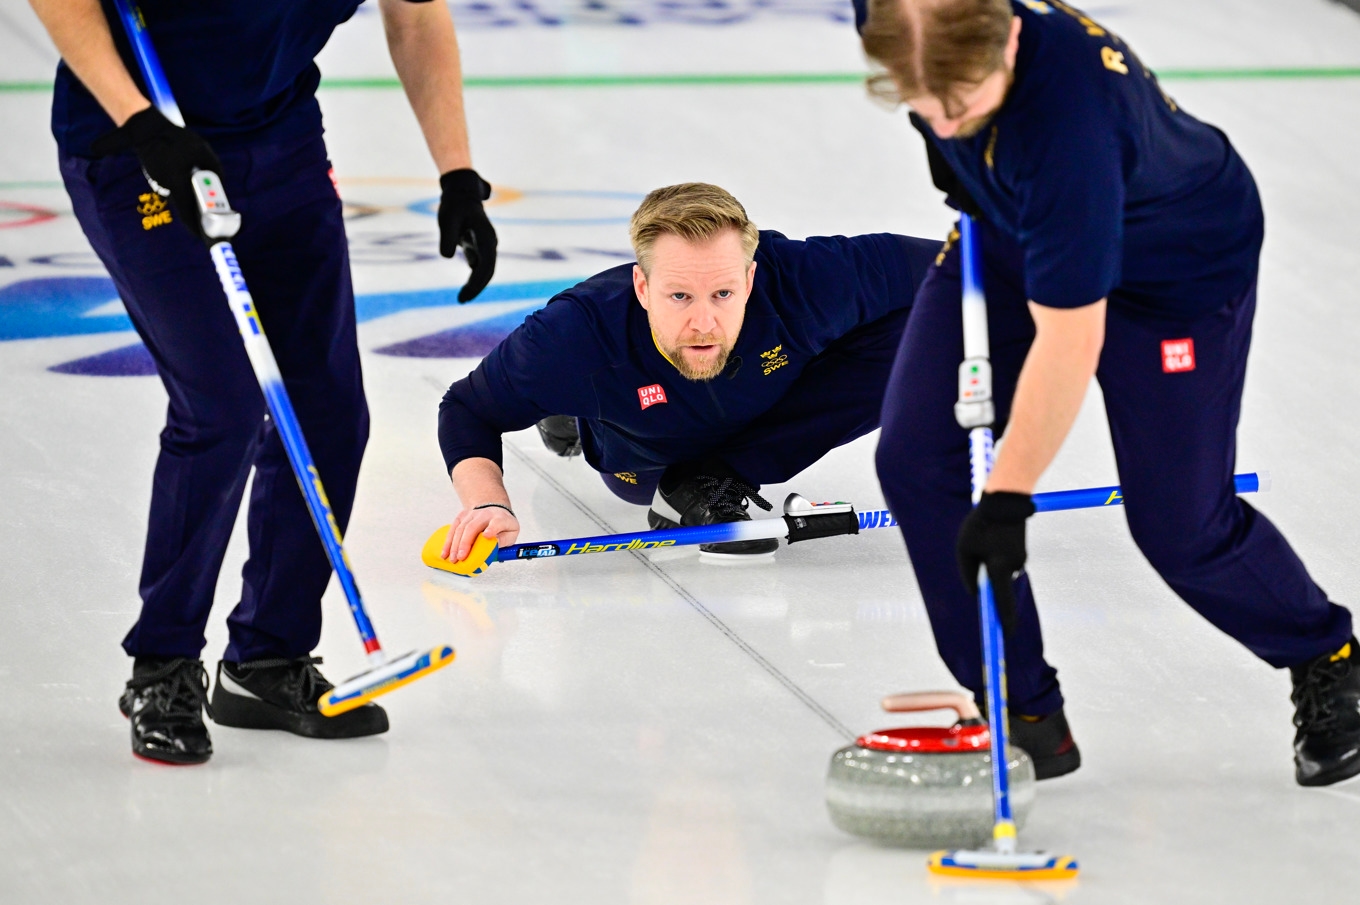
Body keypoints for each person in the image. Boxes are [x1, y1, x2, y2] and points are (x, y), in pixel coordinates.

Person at [859, 0, 1359, 785]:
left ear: (1011, 37)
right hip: (1011, 224)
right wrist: (963, 155)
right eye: (927, 107)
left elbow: (1070, 342)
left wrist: (1008, 498)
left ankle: (1326, 653)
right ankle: (1022, 708)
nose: (948, 125)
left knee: (1181, 525)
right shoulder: (898, 16)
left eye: (965, 103)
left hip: (1169, 272)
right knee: (916, 458)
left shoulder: (1069, 133)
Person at [30, 0, 498, 764]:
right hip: (137, 144)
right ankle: (163, 663)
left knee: (330, 413)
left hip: (278, 142)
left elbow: (416, 19)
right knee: (221, 404)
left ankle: (266, 658)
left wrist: (457, 175)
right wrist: (143, 128)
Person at [437, 182, 939, 562]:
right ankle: (571, 415)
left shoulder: (806, 278)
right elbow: (467, 408)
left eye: (722, 293)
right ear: (641, 287)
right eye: (679, 295)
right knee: (590, 408)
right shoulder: (575, 335)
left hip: (765, 402)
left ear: (750, 279)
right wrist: (486, 505)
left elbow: (966, 265)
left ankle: (718, 475)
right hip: (641, 452)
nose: (703, 323)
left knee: (934, 328)